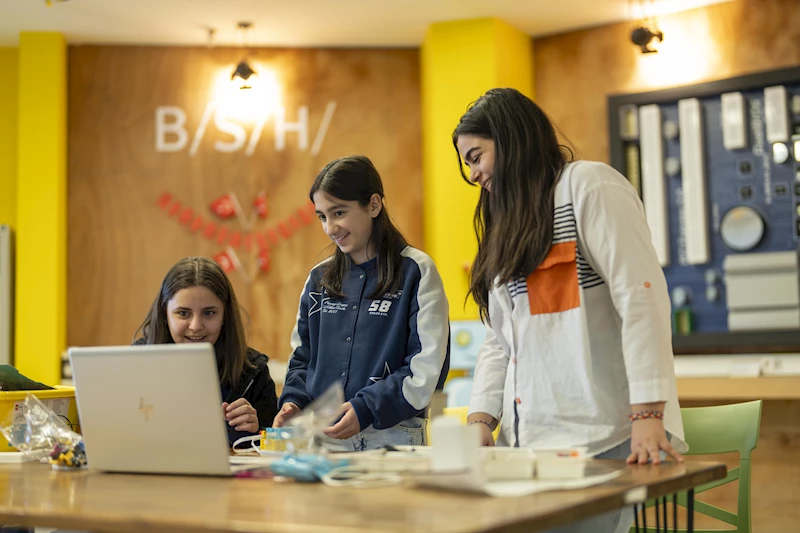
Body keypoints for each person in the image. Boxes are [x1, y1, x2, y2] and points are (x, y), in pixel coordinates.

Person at [454, 88, 687, 533]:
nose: (474, 175)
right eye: (468, 163)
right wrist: (481, 417)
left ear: (512, 138)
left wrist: (648, 415)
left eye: (476, 156)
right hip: (530, 441)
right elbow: (501, 337)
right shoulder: (510, 225)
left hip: (605, 434)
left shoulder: (588, 185)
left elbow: (640, 296)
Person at [273, 155, 450, 451]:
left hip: (394, 439)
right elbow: (302, 358)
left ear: (373, 205)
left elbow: (425, 368)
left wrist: (367, 407)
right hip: (322, 440)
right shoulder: (318, 279)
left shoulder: (416, 271)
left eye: (339, 212)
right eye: (322, 216)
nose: (330, 227)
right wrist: (293, 401)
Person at [133, 256, 279, 445]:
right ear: (164, 314)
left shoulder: (253, 371)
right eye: (183, 313)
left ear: (225, 314)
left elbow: (273, 444)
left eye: (209, 313)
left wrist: (255, 431)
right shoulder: (136, 362)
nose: (195, 326)